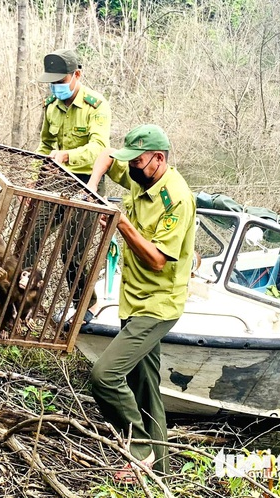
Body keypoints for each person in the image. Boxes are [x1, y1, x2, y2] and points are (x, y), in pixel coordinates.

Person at [86, 124, 195, 479]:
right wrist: (93, 183)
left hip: (158, 305)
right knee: (146, 391)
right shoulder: (140, 174)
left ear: (159, 159)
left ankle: (141, 449)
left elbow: (158, 259)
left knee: (105, 375)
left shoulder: (176, 198)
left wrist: (121, 224)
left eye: (139, 162)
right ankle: (160, 473)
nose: (131, 167)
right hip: (132, 300)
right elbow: (105, 155)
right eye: (130, 161)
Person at [24, 48, 111, 324]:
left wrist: (68, 156)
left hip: (86, 182)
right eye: (53, 82)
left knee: (72, 252)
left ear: (76, 75)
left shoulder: (96, 106)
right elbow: (45, 145)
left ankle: (86, 303)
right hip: (55, 179)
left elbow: (99, 147)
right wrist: (35, 179)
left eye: (61, 82)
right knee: (30, 238)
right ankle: (17, 298)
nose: (56, 87)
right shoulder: (51, 106)